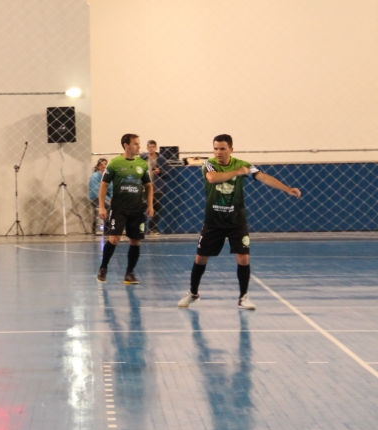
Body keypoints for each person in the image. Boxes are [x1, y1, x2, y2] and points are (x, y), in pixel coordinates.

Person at [178, 133, 301, 310]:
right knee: (200, 258)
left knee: (243, 258)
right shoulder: (208, 164)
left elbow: (263, 177)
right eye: (215, 148)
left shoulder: (243, 165)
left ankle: (243, 297)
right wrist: (237, 173)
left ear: (231, 149)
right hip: (214, 221)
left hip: (237, 220)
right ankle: (193, 293)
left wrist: (287, 189)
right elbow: (213, 179)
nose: (218, 152)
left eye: (222, 149)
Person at [96, 134, 153, 285]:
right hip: (119, 208)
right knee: (114, 239)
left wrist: (150, 204)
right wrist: (101, 206)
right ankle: (103, 267)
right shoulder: (115, 163)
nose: (139, 147)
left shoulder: (142, 164)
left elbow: (148, 186)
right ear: (126, 145)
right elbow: (103, 185)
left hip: (137, 209)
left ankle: (129, 273)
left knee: (136, 241)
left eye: (138, 144)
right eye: (135, 144)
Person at [141, 140, 172, 233]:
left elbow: (167, 173)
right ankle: (141, 229)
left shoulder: (161, 159)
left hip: (157, 188)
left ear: (156, 148)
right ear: (147, 148)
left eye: (153, 147)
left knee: (157, 208)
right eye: (149, 147)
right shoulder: (142, 158)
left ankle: (153, 228)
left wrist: (160, 171)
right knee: (142, 209)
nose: (151, 149)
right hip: (144, 188)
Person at [88, 158, 109, 235]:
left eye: (105, 164)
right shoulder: (94, 176)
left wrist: (112, 197)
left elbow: (112, 188)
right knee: (109, 206)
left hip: (106, 198)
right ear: (98, 167)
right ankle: (107, 230)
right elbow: (96, 191)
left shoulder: (108, 176)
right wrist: (107, 199)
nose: (104, 166)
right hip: (95, 198)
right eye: (102, 164)